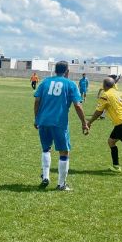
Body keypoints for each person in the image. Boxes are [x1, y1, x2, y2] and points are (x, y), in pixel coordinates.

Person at [34, 60, 89, 191]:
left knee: (46, 149)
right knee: (64, 152)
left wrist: (37, 119)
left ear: (55, 70)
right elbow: (77, 105)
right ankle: (61, 184)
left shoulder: (45, 82)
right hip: (59, 122)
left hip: (43, 121)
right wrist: (84, 123)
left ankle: (46, 176)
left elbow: (37, 101)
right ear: (67, 71)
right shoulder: (70, 84)